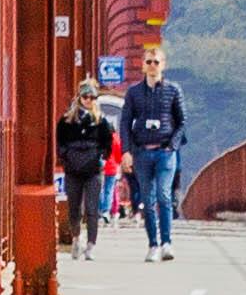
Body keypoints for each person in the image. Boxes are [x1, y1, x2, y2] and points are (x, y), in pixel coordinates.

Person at [119, 47, 194, 257]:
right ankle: (153, 244)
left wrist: (172, 145)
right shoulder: (134, 93)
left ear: (163, 65)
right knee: (148, 199)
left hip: (165, 152)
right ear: (143, 65)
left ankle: (167, 243)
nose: (152, 66)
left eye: (156, 62)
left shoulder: (173, 90)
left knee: (163, 195)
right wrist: (126, 151)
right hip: (142, 152)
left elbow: (182, 121)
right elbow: (125, 122)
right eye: (149, 62)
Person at [51, 76, 119, 255]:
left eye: (92, 97)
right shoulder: (67, 120)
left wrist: (102, 159)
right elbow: (60, 142)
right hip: (73, 170)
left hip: (93, 170)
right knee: (74, 207)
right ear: (79, 98)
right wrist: (65, 157)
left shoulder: (101, 121)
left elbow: (108, 143)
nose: (89, 100)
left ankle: (91, 245)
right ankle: (76, 238)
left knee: (91, 208)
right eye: (85, 97)